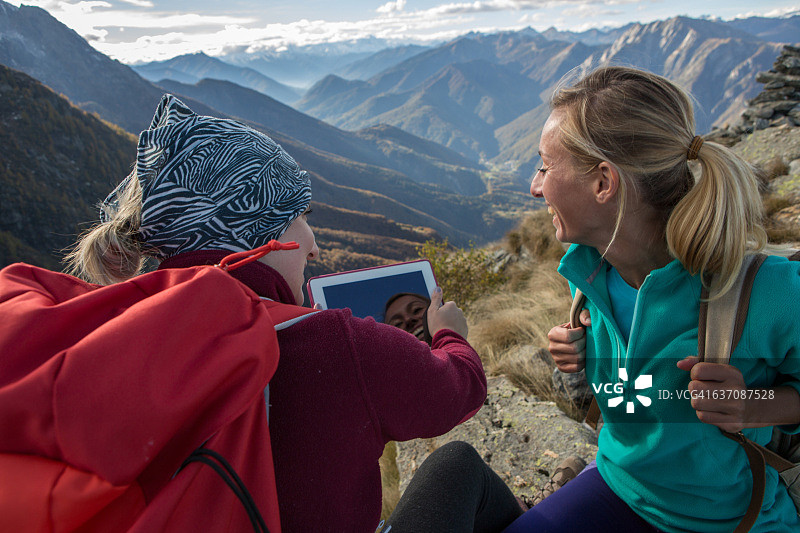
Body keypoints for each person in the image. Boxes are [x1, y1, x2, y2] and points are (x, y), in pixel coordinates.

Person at [66, 94, 488, 532]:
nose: (313, 245)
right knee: (459, 467)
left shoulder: (121, 331)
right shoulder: (334, 345)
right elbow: (460, 391)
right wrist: (449, 336)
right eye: (301, 217)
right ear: (263, 233)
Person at [504, 66, 800, 532]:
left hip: (726, 520)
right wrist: (577, 349)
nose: (535, 186)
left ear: (604, 182)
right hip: (618, 484)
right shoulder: (586, 275)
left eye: (544, 165)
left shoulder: (766, 290)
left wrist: (755, 403)